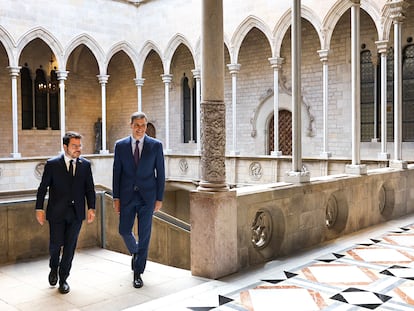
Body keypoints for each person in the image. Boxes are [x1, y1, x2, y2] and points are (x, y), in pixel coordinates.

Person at [35, 131, 96, 294]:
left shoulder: (85, 165)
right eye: (74, 146)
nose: (78, 149)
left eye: (80, 145)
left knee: (70, 248)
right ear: (65, 146)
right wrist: (39, 208)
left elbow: (90, 188)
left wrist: (91, 208)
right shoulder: (52, 164)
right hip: (56, 213)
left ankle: (63, 279)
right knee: (55, 246)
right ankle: (53, 267)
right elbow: (42, 189)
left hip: (76, 214)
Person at [112, 111, 165, 288]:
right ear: (131, 126)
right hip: (127, 196)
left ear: (146, 126)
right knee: (124, 230)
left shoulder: (156, 146)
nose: (140, 129)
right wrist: (116, 197)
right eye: (137, 125)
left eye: (143, 125)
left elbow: (161, 174)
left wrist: (159, 198)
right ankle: (136, 252)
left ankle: (138, 272)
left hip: (147, 197)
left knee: (145, 235)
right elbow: (116, 173)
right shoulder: (120, 146)